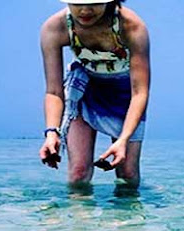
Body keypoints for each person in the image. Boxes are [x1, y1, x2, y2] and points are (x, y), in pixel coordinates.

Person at [39, 0, 150, 189]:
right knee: (78, 174)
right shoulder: (55, 28)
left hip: (125, 95)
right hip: (84, 88)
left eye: (95, 3)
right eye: (77, 3)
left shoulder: (131, 26)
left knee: (128, 174)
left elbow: (140, 92)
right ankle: (79, 218)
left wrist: (123, 140)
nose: (85, 10)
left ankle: (128, 218)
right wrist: (51, 133)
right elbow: (54, 91)